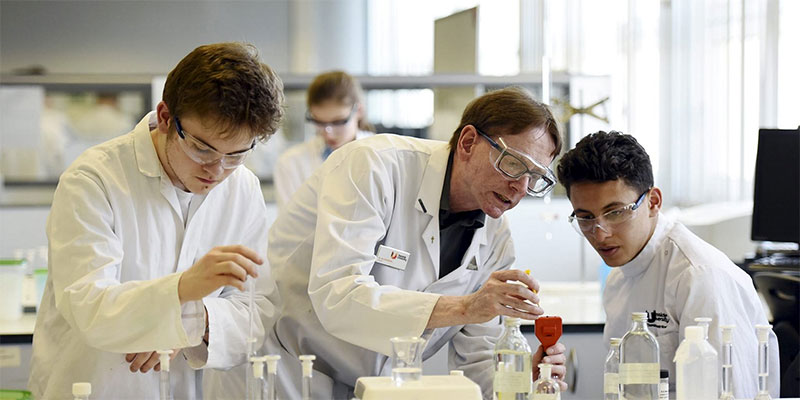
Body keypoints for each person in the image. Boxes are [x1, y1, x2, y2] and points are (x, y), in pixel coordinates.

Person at [267, 86, 568, 400]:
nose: (520, 186)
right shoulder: (375, 165)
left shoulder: (497, 241)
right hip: (287, 369)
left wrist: (522, 380)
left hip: (378, 386)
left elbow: (478, 362)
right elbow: (337, 296)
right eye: (514, 164)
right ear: (468, 143)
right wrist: (465, 307)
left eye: (535, 177)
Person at [28, 42, 284, 399]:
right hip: (95, 389)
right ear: (165, 117)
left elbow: (257, 311)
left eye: (237, 155)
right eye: (202, 148)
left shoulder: (243, 189)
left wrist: (186, 321)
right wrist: (183, 290)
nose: (217, 170)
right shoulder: (94, 179)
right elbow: (89, 306)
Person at [556, 130, 780, 397]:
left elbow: (733, 393)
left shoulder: (698, 277)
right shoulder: (618, 278)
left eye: (615, 212)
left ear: (653, 202)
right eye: (585, 218)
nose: (600, 232)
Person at [273, 70, 374, 209]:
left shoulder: (382, 156)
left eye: (338, 122)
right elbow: (292, 227)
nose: (328, 132)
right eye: (319, 122)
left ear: (359, 111)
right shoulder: (291, 163)